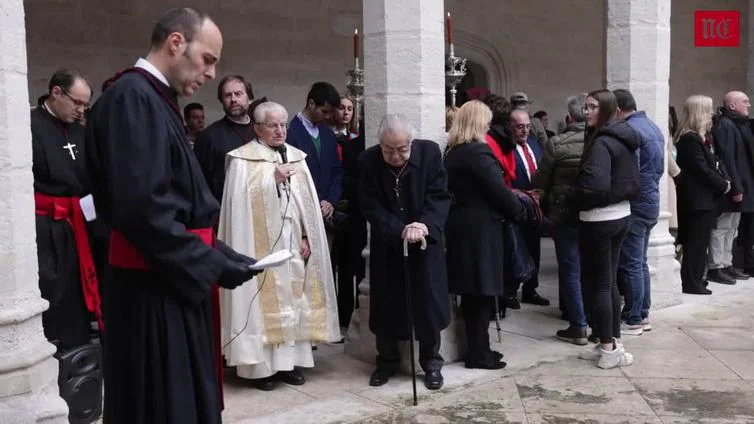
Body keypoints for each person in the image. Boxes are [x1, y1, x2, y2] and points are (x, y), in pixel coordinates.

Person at [85, 8, 259, 423]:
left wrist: (218, 251)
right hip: (152, 295)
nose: (212, 74)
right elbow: (142, 209)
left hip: (168, 281)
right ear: (176, 43)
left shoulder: (155, 99)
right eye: (208, 59)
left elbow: (174, 201)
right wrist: (207, 261)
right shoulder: (132, 97)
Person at [219, 101, 340, 391]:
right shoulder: (242, 160)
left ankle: (289, 365)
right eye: (272, 125)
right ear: (258, 128)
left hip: (292, 244)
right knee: (261, 304)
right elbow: (239, 209)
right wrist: (270, 181)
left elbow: (305, 205)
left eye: (283, 124)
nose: (280, 130)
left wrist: (307, 236)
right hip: (258, 245)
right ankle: (260, 370)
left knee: (294, 301)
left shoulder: (297, 157)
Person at [359, 114, 452, 390]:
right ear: (380, 145)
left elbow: (439, 195)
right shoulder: (368, 161)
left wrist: (423, 224)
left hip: (424, 242)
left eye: (401, 149)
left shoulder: (430, 153)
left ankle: (432, 364)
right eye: (388, 150)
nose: (396, 156)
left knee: (428, 305)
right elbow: (369, 205)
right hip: (388, 244)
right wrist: (399, 229)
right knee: (387, 304)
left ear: (411, 143)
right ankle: (386, 362)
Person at [444, 101, 540, 369]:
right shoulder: (478, 153)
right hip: (481, 232)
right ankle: (478, 354)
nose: (489, 126)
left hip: (464, 229)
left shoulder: (454, 152)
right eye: (486, 121)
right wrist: (518, 210)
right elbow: (498, 192)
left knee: (475, 294)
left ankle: (480, 349)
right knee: (482, 294)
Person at [32, 68, 98, 352]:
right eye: (77, 102)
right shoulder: (29, 123)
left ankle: (78, 348)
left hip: (77, 222)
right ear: (56, 92)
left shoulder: (78, 130)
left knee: (76, 289)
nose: (81, 110)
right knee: (52, 287)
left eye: (85, 104)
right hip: (44, 226)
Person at [575, 89, 639, 369]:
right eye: (585, 106)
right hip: (619, 215)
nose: (586, 111)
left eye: (592, 107)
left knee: (600, 284)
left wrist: (573, 195)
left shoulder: (602, 142)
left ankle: (608, 349)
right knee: (608, 281)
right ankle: (611, 342)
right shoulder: (620, 136)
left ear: (607, 110)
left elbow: (597, 187)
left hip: (601, 218)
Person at [533, 94, 588, 345]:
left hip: (564, 213)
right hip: (593, 213)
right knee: (595, 268)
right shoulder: (601, 140)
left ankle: (577, 323)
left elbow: (541, 182)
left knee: (570, 269)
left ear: (569, 117)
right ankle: (595, 318)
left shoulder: (558, 143)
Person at [613, 89, 665, 335]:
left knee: (632, 262)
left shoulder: (631, 130)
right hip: (651, 199)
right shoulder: (653, 127)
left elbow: (629, 170)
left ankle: (635, 316)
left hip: (636, 202)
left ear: (617, 109)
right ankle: (642, 312)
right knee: (640, 261)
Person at [675, 95, 731, 295]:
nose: (711, 116)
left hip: (703, 199)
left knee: (701, 243)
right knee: (695, 244)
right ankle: (691, 282)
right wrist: (723, 184)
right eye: (707, 111)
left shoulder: (699, 138)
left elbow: (712, 164)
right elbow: (701, 169)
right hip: (696, 200)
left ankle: (697, 278)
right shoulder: (689, 139)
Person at [286, 82, 343, 233]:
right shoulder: (289, 133)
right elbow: (290, 176)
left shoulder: (328, 134)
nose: (328, 116)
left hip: (327, 212)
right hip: (300, 213)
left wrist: (331, 200)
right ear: (311, 103)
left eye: (330, 112)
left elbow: (337, 171)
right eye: (324, 111)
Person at [507, 108, 550, 308]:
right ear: (510, 127)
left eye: (527, 127)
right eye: (519, 127)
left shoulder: (534, 145)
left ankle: (530, 289)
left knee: (534, 248)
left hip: (537, 206)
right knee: (515, 249)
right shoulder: (506, 149)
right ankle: (510, 291)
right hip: (517, 205)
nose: (524, 131)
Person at [331, 94, 366, 329]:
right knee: (343, 265)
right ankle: (342, 313)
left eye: (350, 109)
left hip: (359, 211)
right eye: (342, 108)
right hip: (343, 208)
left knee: (357, 265)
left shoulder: (355, 141)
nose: (346, 112)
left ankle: (355, 310)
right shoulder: (339, 142)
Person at [712, 91, 754, 280]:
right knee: (723, 227)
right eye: (745, 102)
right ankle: (716, 265)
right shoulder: (726, 125)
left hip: (743, 183)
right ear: (732, 106)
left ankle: (727, 263)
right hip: (734, 185)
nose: (749, 105)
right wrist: (736, 187)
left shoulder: (740, 124)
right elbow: (728, 158)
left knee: (732, 227)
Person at [194, 75, 256, 203]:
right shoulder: (208, 136)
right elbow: (198, 182)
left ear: (250, 98)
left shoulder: (262, 132)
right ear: (221, 101)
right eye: (227, 95)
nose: (233, 99)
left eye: (238, 94)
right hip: (224, 211)